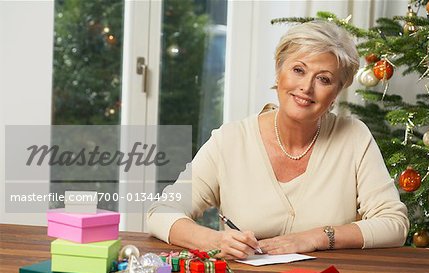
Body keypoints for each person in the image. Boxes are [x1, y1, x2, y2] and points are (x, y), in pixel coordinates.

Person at [147, 20, 409, 260]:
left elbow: (394, 224)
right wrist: (215, 240)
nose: (306, 87)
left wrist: (315, 237)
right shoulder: (230, 141)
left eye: (324, 79)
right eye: (298, 69)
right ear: (278, 71)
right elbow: (161, 212)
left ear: (338, 91)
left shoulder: (354, 137)